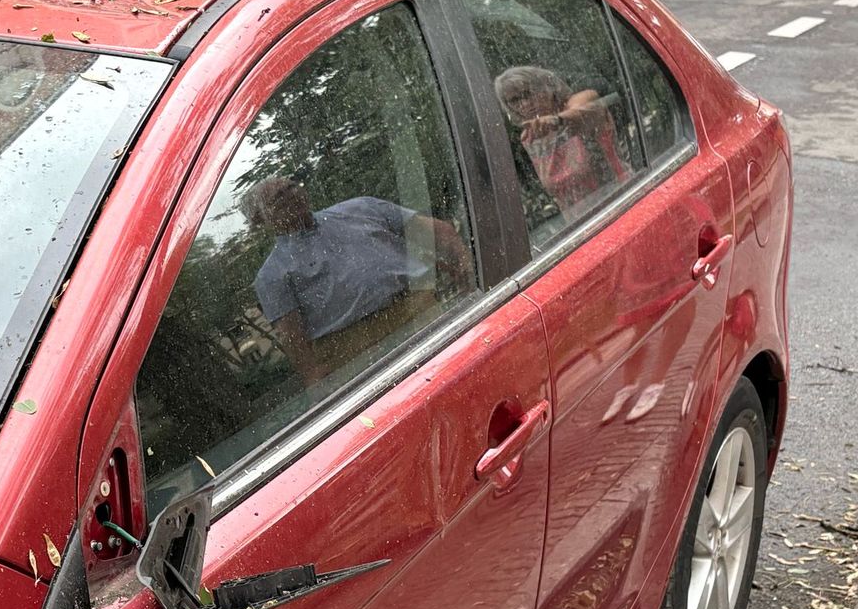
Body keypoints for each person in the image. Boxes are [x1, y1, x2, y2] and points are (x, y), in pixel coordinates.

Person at [240, 176, 473, 386]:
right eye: (278, 198)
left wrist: (465, 262)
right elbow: (295, 341)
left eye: (292, 186)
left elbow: (437, 232)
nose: (291, 195)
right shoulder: (271, 276)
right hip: (354, 356)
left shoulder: (362, 208)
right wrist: (317, 382)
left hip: (421, 316)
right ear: (261, 219)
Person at [494, 65, 630, 211]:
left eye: (528, 93)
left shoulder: (576, 104)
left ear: (547, 86)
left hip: (621, 202)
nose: (524, 104)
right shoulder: (529, 138)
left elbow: (585, 109)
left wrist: (556, 121)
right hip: (582, 220)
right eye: (515, 100)